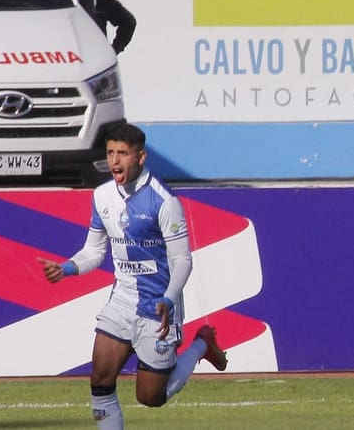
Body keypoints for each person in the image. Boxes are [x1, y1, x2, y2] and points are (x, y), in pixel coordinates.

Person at [39, 123, 227, 429]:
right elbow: (94, 252)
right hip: (122, 300)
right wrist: (66, 268)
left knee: (152, 397)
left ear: (140, 158)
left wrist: (168, 299)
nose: (115, 160)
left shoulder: (165, 202)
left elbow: (183, 261)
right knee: (100, 379)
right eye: (111, 152)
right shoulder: (102, 197)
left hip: (158, 306)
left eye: (122, 154)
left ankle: (202, 345)